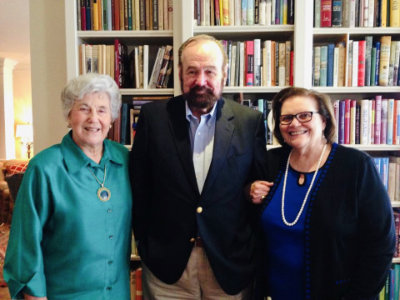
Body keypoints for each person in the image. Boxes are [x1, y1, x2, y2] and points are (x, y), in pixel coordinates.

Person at [130, 34, 267, 299]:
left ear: (224, 74)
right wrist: (148, 248)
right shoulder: (153, 118)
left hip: (228, 265)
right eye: (192, 71)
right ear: (180, 72)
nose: (200, 81)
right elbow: (140, 187)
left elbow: (256, 190)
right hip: (168, 269)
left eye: (210, 71)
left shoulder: (249, 121)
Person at [249, 87, 396, 299]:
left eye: (305, 115)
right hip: (274, 292)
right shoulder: (271, 162)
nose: (295, 123)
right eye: (286, 118)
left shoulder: (355, 166)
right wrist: (249, 190)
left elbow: (381, 244)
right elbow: (244, 206)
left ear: (324, 121)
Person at [4, 73, 132, 300]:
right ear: (68, 115)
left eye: (102, 110)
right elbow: (25, 245)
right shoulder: (44, 168)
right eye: (84, 108)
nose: (94, 118)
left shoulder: (125, 160)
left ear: (111, 117)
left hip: (117, 294)